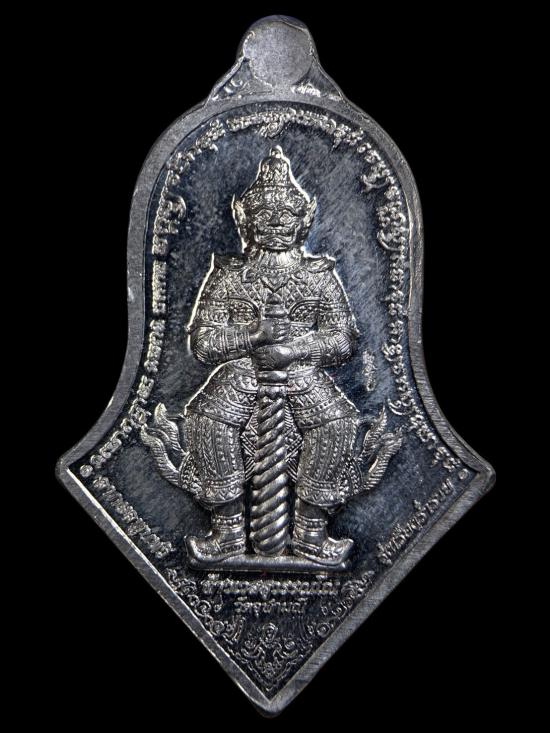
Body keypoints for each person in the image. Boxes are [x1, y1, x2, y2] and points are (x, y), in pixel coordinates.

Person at [184, 146, 360, 566]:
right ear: (245, 221)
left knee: (337, 423)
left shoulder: (319, 277)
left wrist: (294, 349)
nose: (277, 223)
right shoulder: (228, 276)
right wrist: (253, 335)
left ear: (303, 220)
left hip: (301, 372)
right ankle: (228, 531)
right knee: (206, 421)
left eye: (286, 215)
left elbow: (342, 340)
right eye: (265, 215)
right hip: (242, 372)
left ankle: (311, 532)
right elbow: (204, 343)